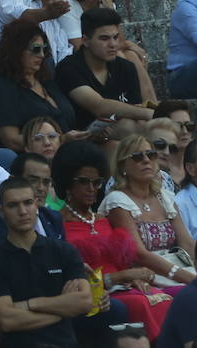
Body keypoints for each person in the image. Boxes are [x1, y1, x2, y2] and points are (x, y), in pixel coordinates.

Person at [57, 140, 181, 335]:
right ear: (66, 182)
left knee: (171, 297)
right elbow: (75, 277)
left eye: (96, 182)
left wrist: (134, 277)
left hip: (125, 288)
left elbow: (124, 263)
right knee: (143, 303)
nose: (91, 188)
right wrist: (124, 276)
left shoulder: (102, 220)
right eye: (83, 181)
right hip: (97, 294)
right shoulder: (59, 224)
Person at [0, 178, 96, 348]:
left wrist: (29, 304)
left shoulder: (63, 251)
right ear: (1, 211)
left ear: (37, 205)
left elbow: (84, 301)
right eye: (13, 205)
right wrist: (62, 308)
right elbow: (7, 320)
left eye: (28, 203)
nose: (23, 211)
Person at [102, 134, 197, 266]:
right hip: (146, 276)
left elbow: (187, 243)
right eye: (137, 157)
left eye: (151, 154)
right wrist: (183, 276)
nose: (146, 160)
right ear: (122, 166)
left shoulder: (165, 197)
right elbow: (140, 255)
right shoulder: (117, 201)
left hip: (177, 271)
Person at [56, 8, 154, 130]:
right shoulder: (68, 68)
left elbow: (136, 108)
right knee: (128, 125)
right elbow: (99, 106)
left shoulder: (126, 67)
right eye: (104, 38)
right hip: (85, 139)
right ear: (85, 41)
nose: (113, 44)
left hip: (127, 136)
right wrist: (149, 114)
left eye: (115, 37)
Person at [0, 19, 76, 147]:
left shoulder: (46, 80)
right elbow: (11, 141)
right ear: (16, 50)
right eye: (36, 49)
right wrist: (60, 140)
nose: (42, 55)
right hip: (34, 160)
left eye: (44, 49)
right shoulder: (2, 88)